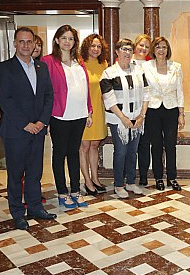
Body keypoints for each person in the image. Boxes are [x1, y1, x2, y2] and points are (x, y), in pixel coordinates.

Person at [0, 27, 56, 230]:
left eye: (29, 42)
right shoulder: (4, 68)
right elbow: (6, 100)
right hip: (15, 131)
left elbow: (49, 96)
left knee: (35, 172)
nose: (26, 45)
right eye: (21, 42)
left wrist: (41, 122)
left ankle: (36, 207)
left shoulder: (42, 68)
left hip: (38, 129)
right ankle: (17, 212)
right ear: (14, 44)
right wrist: (26, 124)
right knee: (15, 174)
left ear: (34, 44)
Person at [41, 25, 92, 209]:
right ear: (57, 40)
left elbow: (85, 88)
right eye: (64, 38)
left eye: (71, 38)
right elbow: (44, 91)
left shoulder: (79, 61)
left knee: (74, 153)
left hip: (79, 114)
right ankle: (62, 192)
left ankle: (75, 191)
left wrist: (89, 110)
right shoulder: (48, 61)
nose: (67, 42)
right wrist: (44, 118)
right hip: (59, 115)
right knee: (59, 153)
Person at [101, 39, 149, 199]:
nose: (127, 52)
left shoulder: (138, 71)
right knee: (121, 152)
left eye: (129, 49)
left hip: (137, 118)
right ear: (117, 51)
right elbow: (109, 99)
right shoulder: (109, 73)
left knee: (132, 152)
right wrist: (123, 118)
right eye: (123, 49)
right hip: (118, 120)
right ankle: (119, 184)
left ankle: (130, 182)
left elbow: (146, 93)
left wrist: (142, 115)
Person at [143, 37, 185, 191]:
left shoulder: (176, 67)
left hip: (171, 109)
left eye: (164, 47)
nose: (161, 50)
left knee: (170, 144)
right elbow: (144, 90)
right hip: (153, 110)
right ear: (153, 50)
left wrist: (181, 113)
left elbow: (180, 90)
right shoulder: (146, 67)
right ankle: (159, 177)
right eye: (158, 47)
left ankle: (172, 177)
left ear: (168, 50)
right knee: (156, 145)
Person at [79, 34, 109, 196]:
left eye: (98, 46)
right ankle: (87, 181)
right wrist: (86, 112)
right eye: (92, 46)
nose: (95, 49)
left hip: (100, 110)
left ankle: (95, 178)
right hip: (84, 112)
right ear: (86, 47)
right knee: (84, 146)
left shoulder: (104, 64)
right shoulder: (79, 64)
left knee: (95, 146)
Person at [133, 34, 153, 186]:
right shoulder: (126, 61)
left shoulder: (151, 64)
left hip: (147, 109)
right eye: (141, 45)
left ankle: (143, 175)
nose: (143, 49)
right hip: (128, 109)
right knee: (129, 145)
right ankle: (128, 175)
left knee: (144, 144)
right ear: (135, 45)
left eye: (147, 46)